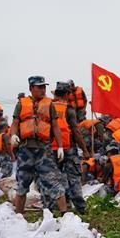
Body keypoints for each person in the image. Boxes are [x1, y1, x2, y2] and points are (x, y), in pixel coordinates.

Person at [10, 76, 69, 214]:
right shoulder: (21, 104)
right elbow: (15, 123)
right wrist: (13, 135)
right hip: (25, 150)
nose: (43, 90)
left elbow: (55, 126)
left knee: (53, 180)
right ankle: (18, 217)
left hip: (44, 150)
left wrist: (60, 146)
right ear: (31, 88)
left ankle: (65, 214)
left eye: (44, 87)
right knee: (22, 184)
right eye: (39, 87)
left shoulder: (49, 104)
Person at [53, 81, 90, 214]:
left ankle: (55, 206)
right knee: (73, 177)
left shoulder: (47, 107)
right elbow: (76, 131)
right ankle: (81, 208)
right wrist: (85, 150)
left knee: (54, 178)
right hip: (68, 147)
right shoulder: (68, 109)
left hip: (51, 149)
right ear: (68, 94)